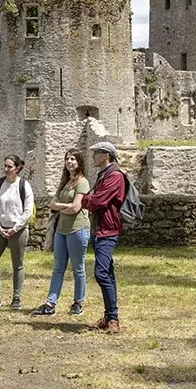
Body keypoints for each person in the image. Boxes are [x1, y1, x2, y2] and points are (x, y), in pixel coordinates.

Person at [32, 149, 90, 317]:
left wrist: (61, 207)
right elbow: (52, 204)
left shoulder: (83, 182)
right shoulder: (65, 182)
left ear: (79, 162)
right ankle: (50, 303)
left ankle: (78, 303)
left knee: (78, 268)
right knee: (58, 268)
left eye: (73, 159)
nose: (69, 162)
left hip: (77, 229)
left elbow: (75, 208)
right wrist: (65, 206)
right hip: (61, 230)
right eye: (67, 159)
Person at [81, 141, 125, 333]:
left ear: (106, 155)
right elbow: (95, 200)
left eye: (96, 153)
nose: (92, 156)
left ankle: (112, 319)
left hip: (108, 230)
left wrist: (86, 199)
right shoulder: (103, 175)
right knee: (107, 273)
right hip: (100, 229)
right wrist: (90, 200)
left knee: (101, 273)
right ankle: (109, 317)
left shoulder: (114, 176)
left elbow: (98, 201)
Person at [0, 154, 34, 310]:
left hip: (18, 230)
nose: (6, 169)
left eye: (9, 166)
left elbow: (28, 210)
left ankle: (16, 298)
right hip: (0, 229)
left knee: (17, 265)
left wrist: (14, 228)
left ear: (17, 168)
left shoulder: (24, 185)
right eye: (5, 166)